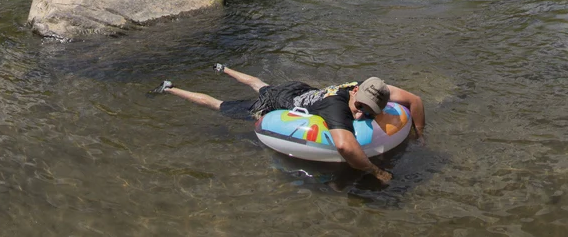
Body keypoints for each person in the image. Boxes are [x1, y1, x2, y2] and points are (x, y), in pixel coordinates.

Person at [156, 66, 427, 183]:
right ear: (355, 92)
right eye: (360, 107)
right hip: (276, 104)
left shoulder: (370, 87)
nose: (361, 114)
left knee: (259, 84)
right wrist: (376, 172)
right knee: (220, 105)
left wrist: (419, 133)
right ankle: (170, 88)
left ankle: (223, 68)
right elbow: (345, 147)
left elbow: (415, 100)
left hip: (299, 90)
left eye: (370, 110)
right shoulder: (337, 108)